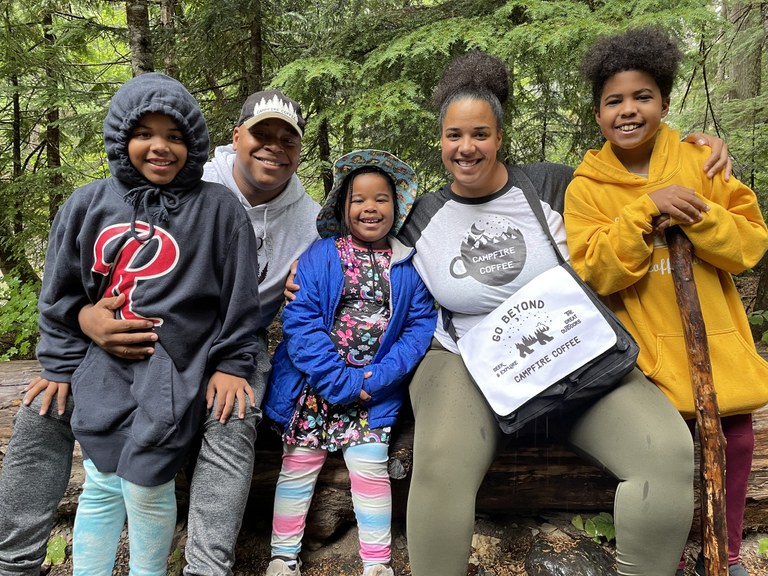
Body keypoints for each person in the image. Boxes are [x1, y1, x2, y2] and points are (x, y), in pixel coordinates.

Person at [387, 51, 732, 576]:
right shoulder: (419, 213)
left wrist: (695, 149)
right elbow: (351, 226)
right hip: (465, 362)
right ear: (441, 141)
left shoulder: (551, 185)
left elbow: (632, 179)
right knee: (440, 465)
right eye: (454, 135)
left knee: (664, 454)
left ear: (499, 137)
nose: (466, 147)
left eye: (480, 133)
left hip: (571, 350)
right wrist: (304, 269)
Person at [0, 89, 320, 576]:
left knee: (232, 417)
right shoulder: (158, 184)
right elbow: (67, 285)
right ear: (235, 139)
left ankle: (206, 568)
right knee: (43, 406)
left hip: (227, 338)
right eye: (261, 135)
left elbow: (346, 257)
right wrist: (82, 327)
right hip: (114, 338)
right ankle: (14, 561)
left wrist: (234, 361)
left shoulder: (306, 218)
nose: (273, 147)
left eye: (287, 139)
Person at [564, 27, 768, 576]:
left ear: (665, 101)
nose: (628, 111)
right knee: (669, 453)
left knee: (737, 443)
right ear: (597, 111)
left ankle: (723, 553)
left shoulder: (701, 161)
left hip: (716, 345)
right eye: (614, 101)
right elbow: (597, 271)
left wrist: (700, 216)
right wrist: (642, 211)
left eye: (642, 97)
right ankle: (672, 553)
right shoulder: (588, 188)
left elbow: (748, 246)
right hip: (650, 356)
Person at [263, 149, 436, 576]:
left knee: (370, 469)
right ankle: (283, 556)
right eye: (359, 199)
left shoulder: (407, 265)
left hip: (371, 392)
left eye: (380, 198)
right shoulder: (321, 256)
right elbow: (300, 323)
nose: (369, 207)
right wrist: (336, 381)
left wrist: (376, 378)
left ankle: (376, 564)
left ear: (396, 207)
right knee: (298, 466)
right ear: (343, 206)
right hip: (316, 389)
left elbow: (418, 329)